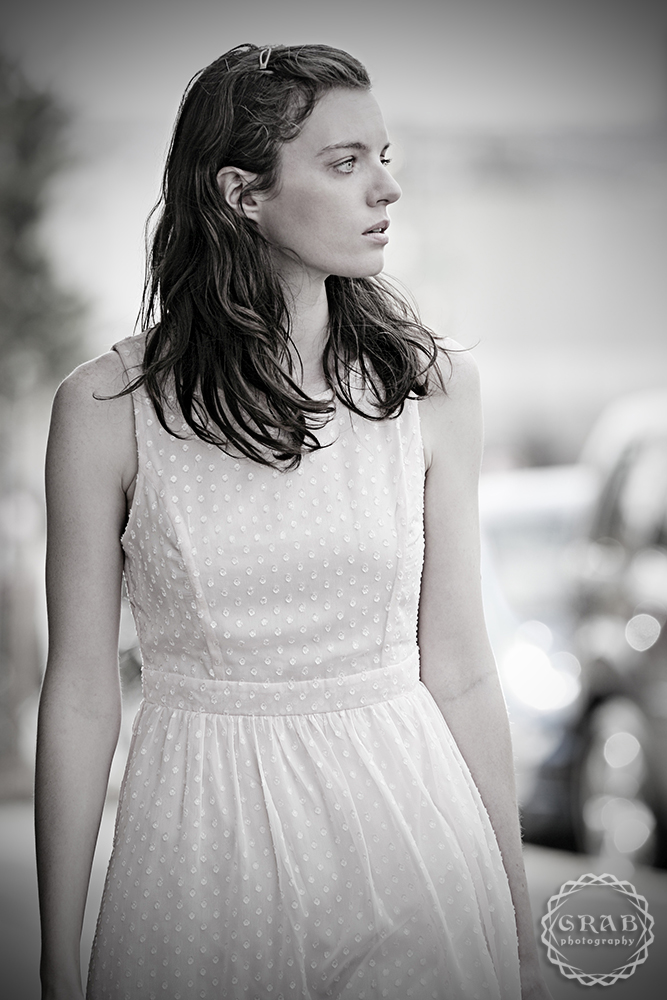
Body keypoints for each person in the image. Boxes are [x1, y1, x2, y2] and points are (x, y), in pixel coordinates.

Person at [35, 43, 551, 1000]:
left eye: (385, 156)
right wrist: (55, 957)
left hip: (410, 833)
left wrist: (520, 932)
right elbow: (79, 691)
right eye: (345, 162)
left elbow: (465, 668)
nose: (386, 190)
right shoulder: (106, 407)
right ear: (241, 192)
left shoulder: (430, 392)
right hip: (198, 844)